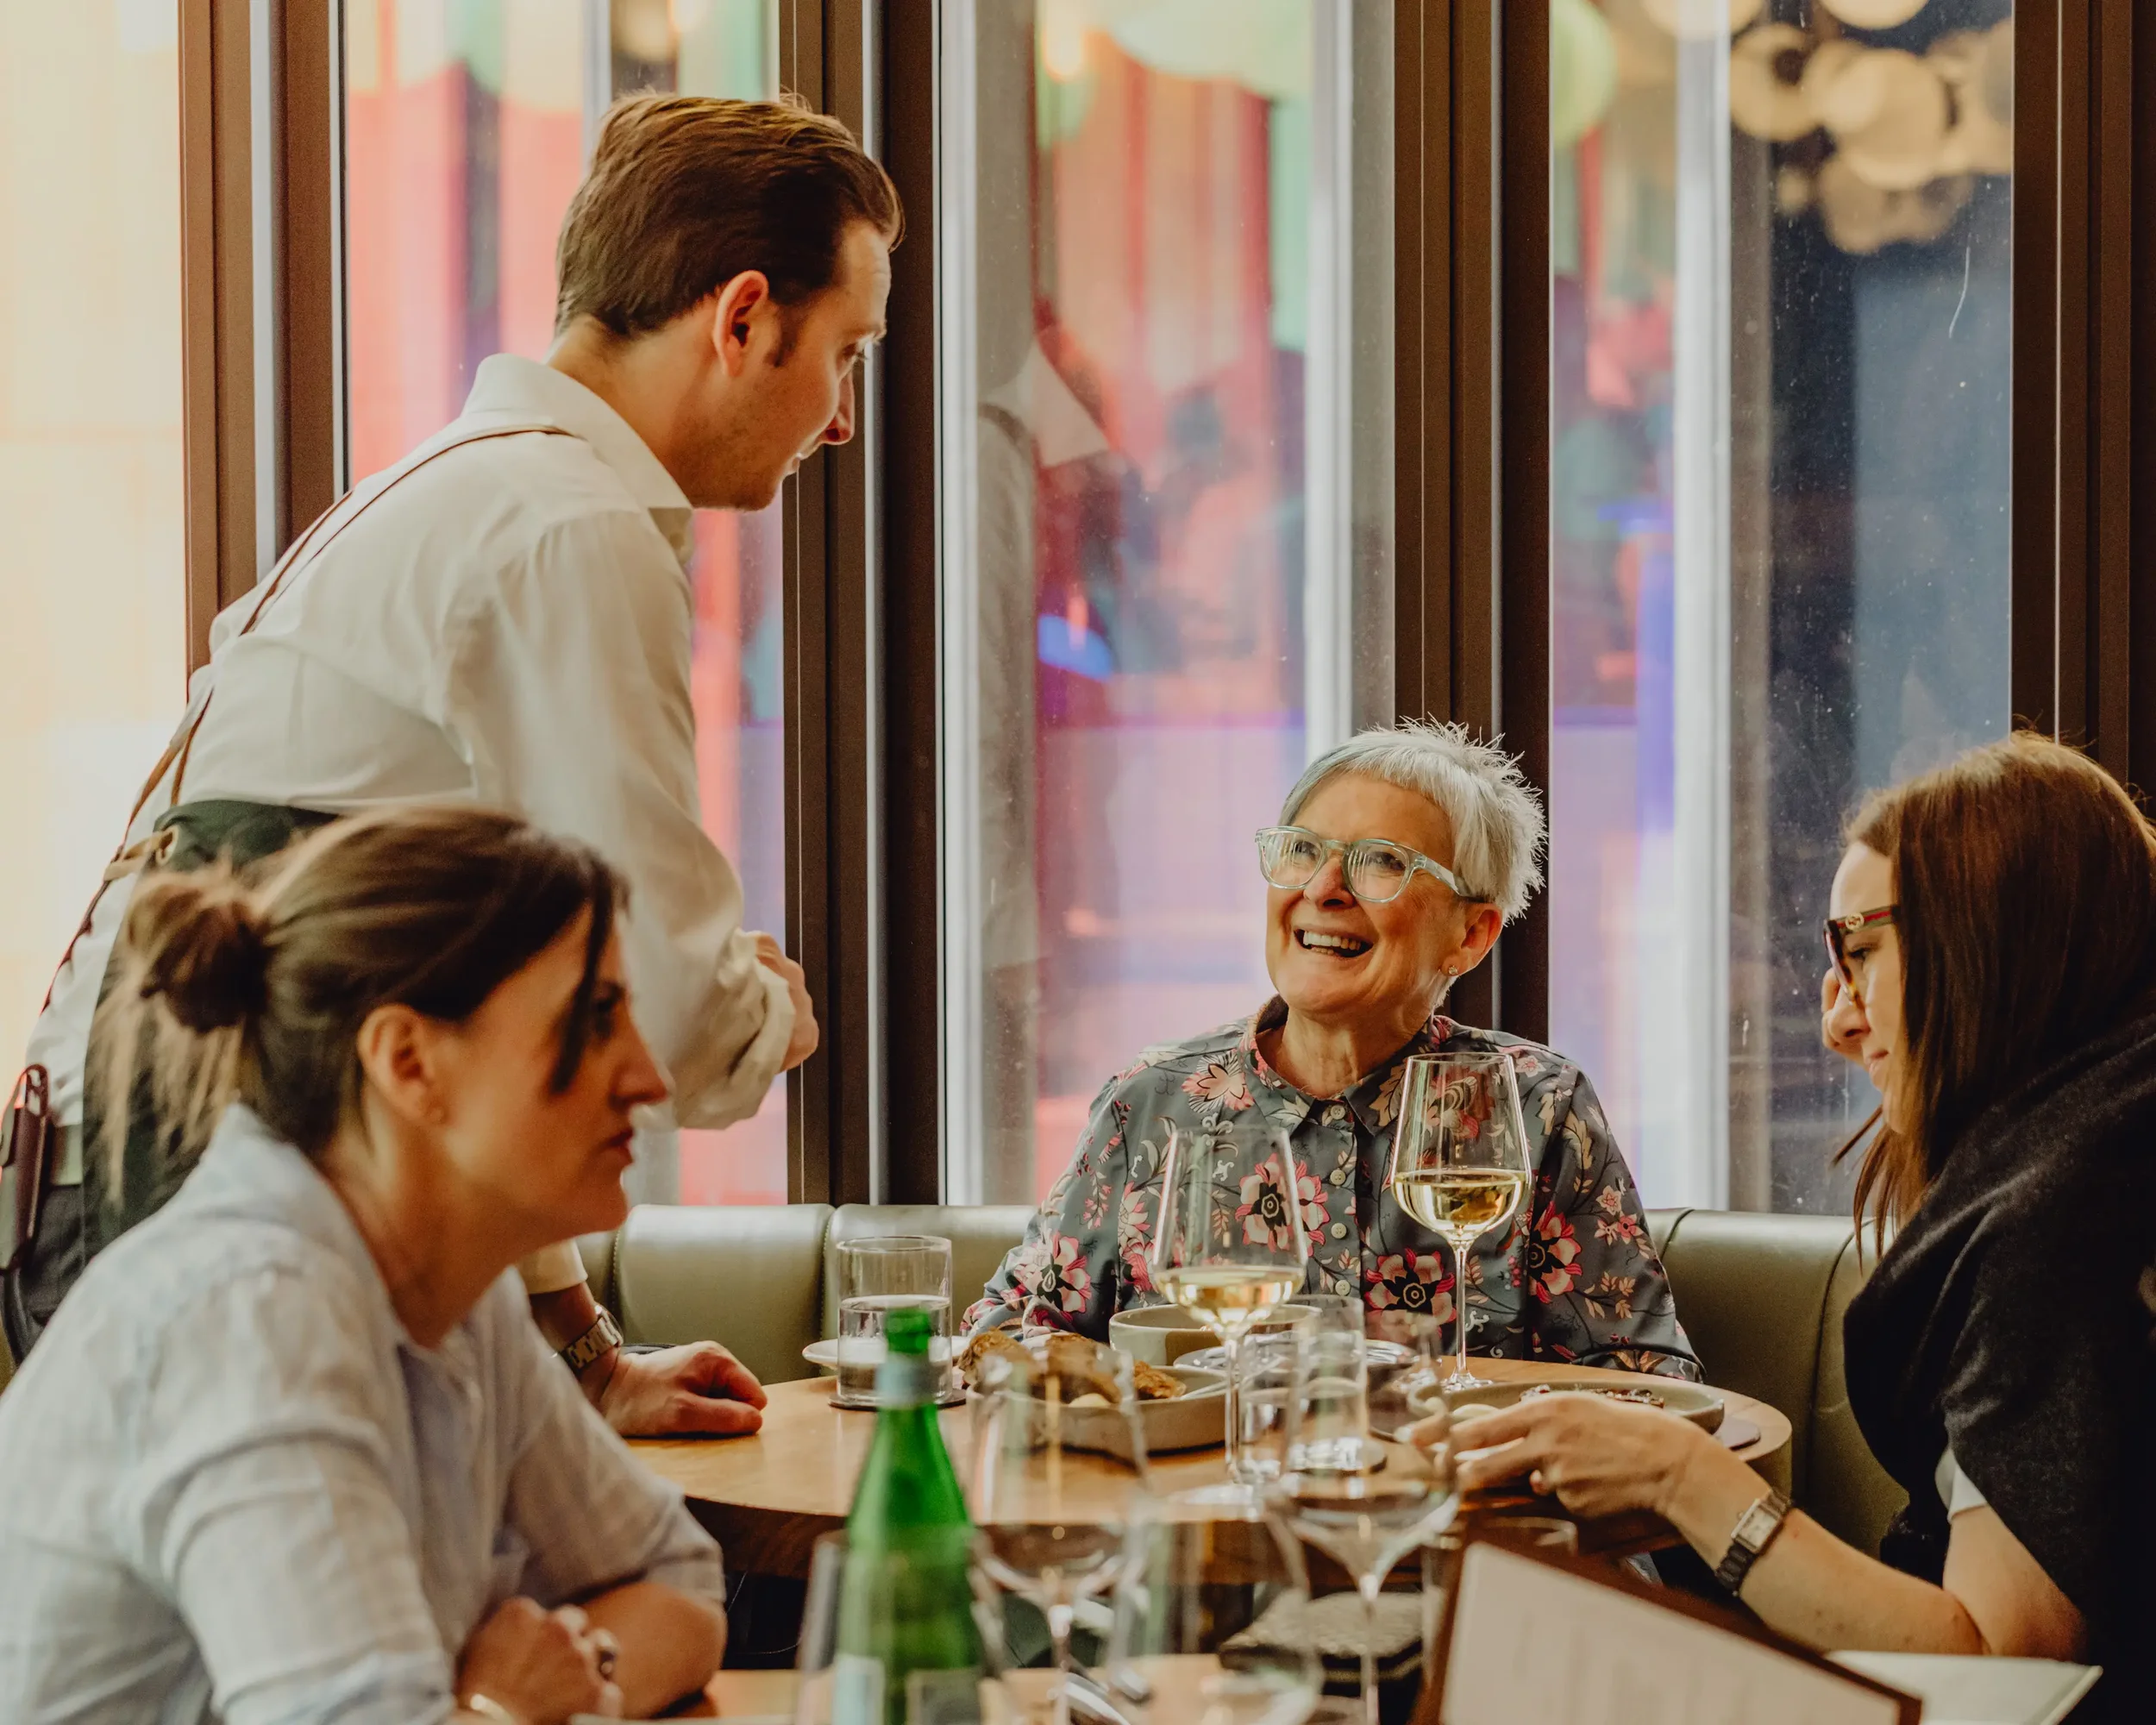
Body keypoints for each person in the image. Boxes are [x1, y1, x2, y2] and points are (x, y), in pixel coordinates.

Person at [2, 93, 901, 1436]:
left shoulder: (472, 489)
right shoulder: (569, 532)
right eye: (847, 355)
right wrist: (771, 1014)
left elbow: (460, 1011)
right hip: (191, 1214)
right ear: (744, 318)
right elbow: (663, 1019)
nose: (841, 422)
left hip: (140, 1196)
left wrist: (588, 1355)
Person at [1437, 734, 2156, 1719]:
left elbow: (2002, 1664)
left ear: (1991, 941)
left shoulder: (2058, 1225)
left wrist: (1680, 1473)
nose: (1836, 1020)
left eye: (1858, 951)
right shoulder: (2102, 1143)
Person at [0, 806, 736, 1723]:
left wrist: (552, 1691)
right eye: (593, 1018)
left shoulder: (458, 1295)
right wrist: (500, 1706)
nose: (650, 1079)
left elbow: (676, 1581)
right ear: (407, 1061)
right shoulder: (254, 1318)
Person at [963, 721, 1698, 1379]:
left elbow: (1650, 1384)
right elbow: (999, 1341)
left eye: (1381, 862)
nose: (1323, 888)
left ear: (1470, 936)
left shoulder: (1537, 1108)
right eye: (1305, 851)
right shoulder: (1153, 1103)